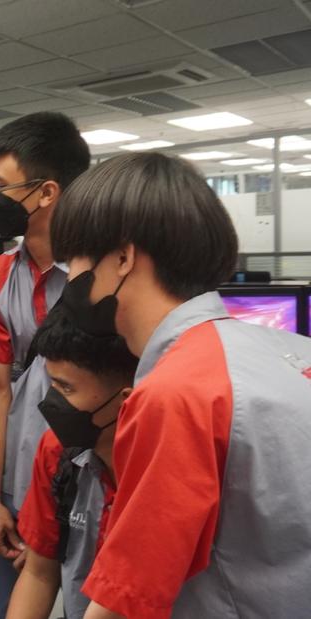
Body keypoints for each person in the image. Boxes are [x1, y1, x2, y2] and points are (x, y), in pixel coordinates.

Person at [50, 152, 311, 619]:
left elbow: (129, 596)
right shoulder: (292, 350)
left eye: (75, 260)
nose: (70, 278)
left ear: (123, 258)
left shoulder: (175, 392)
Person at [0, 112, 91, 619]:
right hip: (18, 477)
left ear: (46, 193)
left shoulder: (104, 271)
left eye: (2, 187)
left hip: (90, 482)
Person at [5, 307, 137, 619]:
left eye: (67, 388)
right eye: (52, 384)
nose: (52, 402)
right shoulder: (57, 453)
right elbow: (38, 574)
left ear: (126, 400)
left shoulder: (161, 473)